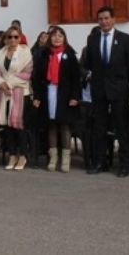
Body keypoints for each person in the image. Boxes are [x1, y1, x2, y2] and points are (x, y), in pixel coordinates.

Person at [81, 6, 129, 176]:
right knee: (100, 127)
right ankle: (100, 162)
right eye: (100, 19)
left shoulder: (125, 39)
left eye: (106, 18)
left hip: (119, 90)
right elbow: (86, 64)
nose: (104, 22)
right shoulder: (92, 39)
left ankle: (124, 164)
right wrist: (89, 76)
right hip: (99, 90)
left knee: (121, 127)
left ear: (113, 19)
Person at [32, 26, 81, 173]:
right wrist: (37, 96)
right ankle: (53, 158)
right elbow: (37, 77)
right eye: (54, 35)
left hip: (65, 95)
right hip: (48, 93)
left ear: (64, 38)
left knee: (64, 125)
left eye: (60, 35)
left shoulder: (69, 55)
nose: (57, 38)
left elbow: (76, 78)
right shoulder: (43, 54)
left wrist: (74, 96)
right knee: (51, 125)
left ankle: (66, 159)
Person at [0, 26, 34, 171]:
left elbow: (27, 74)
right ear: (5, 39)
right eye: (9, 37)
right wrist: (0, 83)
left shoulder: (25, 52)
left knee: (19, 126)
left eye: (16, 37)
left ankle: (22, 155)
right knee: (7, 127)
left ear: (20, 38)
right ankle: (12, 155)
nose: (13, 39)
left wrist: (7, 83)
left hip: (20, 93)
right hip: (4, 93)